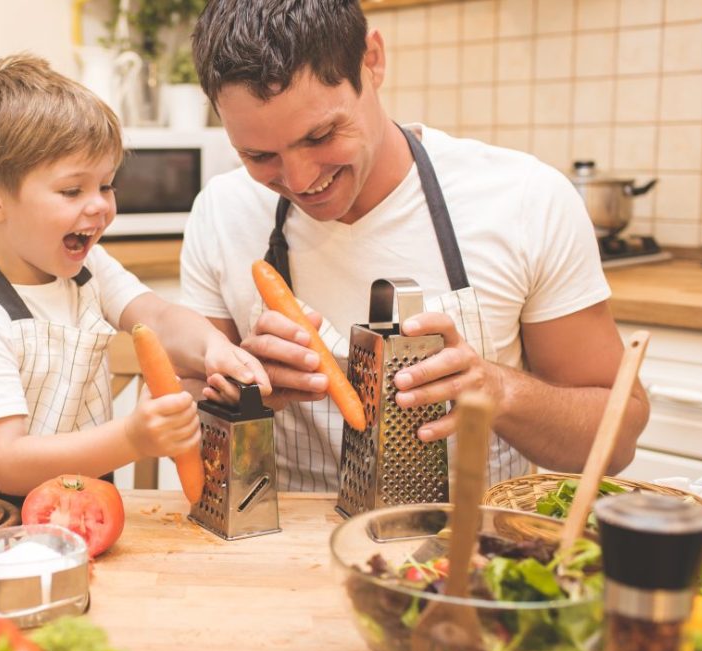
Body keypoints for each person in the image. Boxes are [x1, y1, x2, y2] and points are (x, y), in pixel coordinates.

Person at [183, 0, 649, 491]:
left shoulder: (526, 199)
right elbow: (181, 421)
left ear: (373, 60)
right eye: (259, 155)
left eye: (321, 136)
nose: (299, 180)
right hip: (284, 548)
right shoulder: (222, 211)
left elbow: (616, 442)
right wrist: (241, 399)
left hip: (470, 544)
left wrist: (500, 390)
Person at [0, 53, 267, 503]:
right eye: (72, 190)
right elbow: (8, 463)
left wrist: (213, 347)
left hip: (82, 505)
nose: (100, 206)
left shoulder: (90, 270)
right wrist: (131, 439)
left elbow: (157, 317)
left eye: (106, 185)